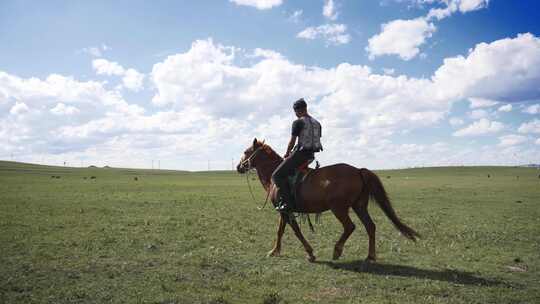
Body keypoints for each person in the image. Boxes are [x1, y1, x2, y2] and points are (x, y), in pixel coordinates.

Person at [271, 98, 323, 212]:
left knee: (276, 175)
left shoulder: (298, 122)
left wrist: (287, 153)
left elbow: (292, 141)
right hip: (311, 156)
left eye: (295, 112)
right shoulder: (317, 123)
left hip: (300, 156)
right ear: (306, 108)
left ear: (297, 111)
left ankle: (288, 204)